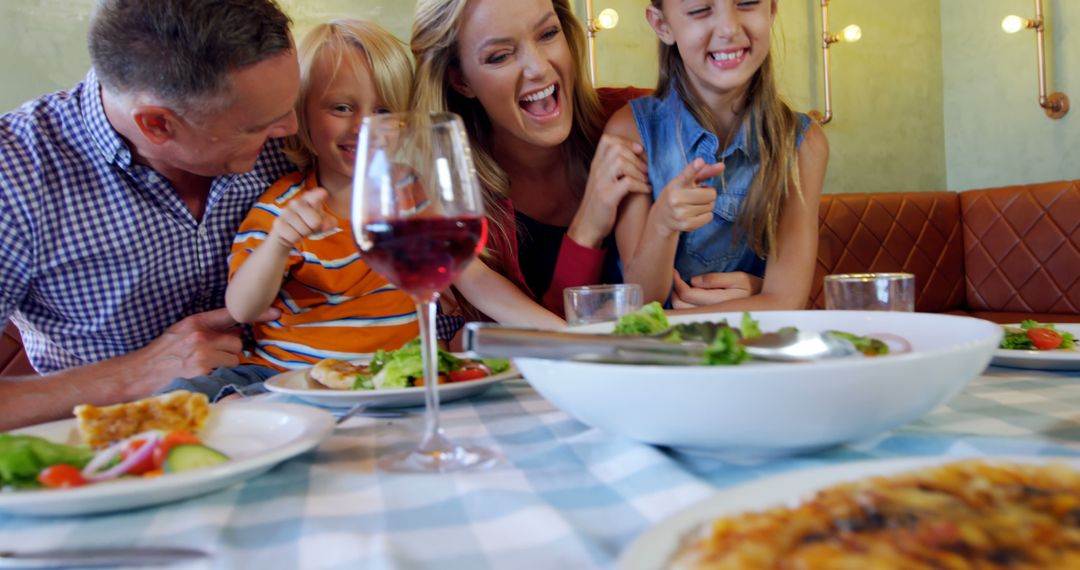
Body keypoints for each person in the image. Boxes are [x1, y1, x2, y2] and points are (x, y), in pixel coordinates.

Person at [160, 19, 563, 400]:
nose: (363, 127)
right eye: (341, 108)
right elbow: (242, 308)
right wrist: (281, 242)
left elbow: (473, 276)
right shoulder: (285, 207)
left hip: (395, 373)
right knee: (190, 397)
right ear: (302, 115)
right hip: (288, 377)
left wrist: (563, 334)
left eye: (383, 112)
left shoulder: (411, 193)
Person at [0, 0, 300, 430]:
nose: (290, 128)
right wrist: (130, 375)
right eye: (257, 126)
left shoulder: (284, 127)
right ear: (157, 124)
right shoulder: (13, 175)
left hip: (308, 422)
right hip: (124, 455)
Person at [410, 0, 653, 329]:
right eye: (500, 56)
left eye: (548, 33)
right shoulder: (451, 202)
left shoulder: (640, 118)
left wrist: (749, 284)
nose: (538, 67)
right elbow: (536, 345)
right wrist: (588, 227)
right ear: (460, 80)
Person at [607, 0, 829, 311]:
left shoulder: (803, 144)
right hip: (656, 356)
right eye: (700, 9)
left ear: (772, 10)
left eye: (748, 3)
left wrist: (759, 299)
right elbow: (641, 301)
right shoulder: (630, 131)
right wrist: (663, 223)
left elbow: (787, 299)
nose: (728, 28)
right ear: (662, 25)